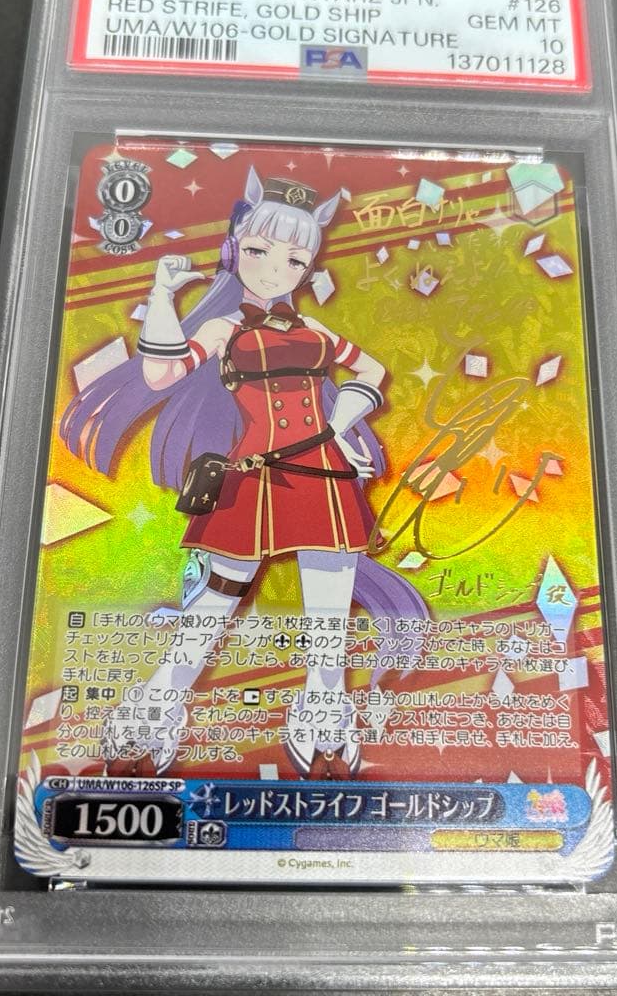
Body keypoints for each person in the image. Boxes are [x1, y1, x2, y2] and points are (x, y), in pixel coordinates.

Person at [62, 166, 427, 779]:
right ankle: (156, 707)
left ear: (307, 267)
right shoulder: (223, 327)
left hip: (323, 472)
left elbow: (371, 372)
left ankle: (325, 711)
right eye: (260, 251)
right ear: (236, 248)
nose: (275, 269)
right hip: (254, 474)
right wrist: (162, 294)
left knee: (329, 614)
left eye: (294, 259)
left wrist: (342, 423)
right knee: (215, 603)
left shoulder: (314, 329)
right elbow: (161, 373)